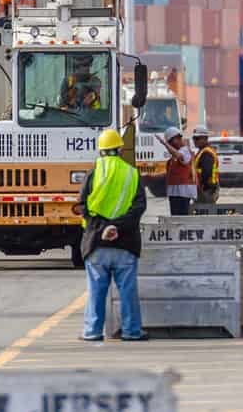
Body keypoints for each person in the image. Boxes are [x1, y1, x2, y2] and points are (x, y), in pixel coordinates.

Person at [79, 128, 147, 342]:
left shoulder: (94, 173)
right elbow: (138, 208)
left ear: (101, 151)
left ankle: (92, 332)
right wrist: (116, 227)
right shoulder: (132, 173)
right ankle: (131, 331)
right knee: (128, 293)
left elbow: (83, 207)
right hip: (125, 244)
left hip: (96, 245)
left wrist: (102, 229)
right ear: (119, 149)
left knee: (96, 292)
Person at [156, 126, 196, 215]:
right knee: (175, 218)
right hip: (174, 193)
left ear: (178, 138)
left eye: (171, 142)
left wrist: (164, 143)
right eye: (169, 143)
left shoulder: (185, 151)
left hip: (184, 193)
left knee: (182, 218)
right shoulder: (172, 159)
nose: (170, 145)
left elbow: (179, 156)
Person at [191, 126, 219, 204]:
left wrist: (201, 186)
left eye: (197, 138)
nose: (195, 141)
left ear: (205, 138)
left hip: (207, 189)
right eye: (194, 138)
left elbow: (207, 172)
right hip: (205, 189)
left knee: (205, 213)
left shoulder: (207, 153)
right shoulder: (202, 152)